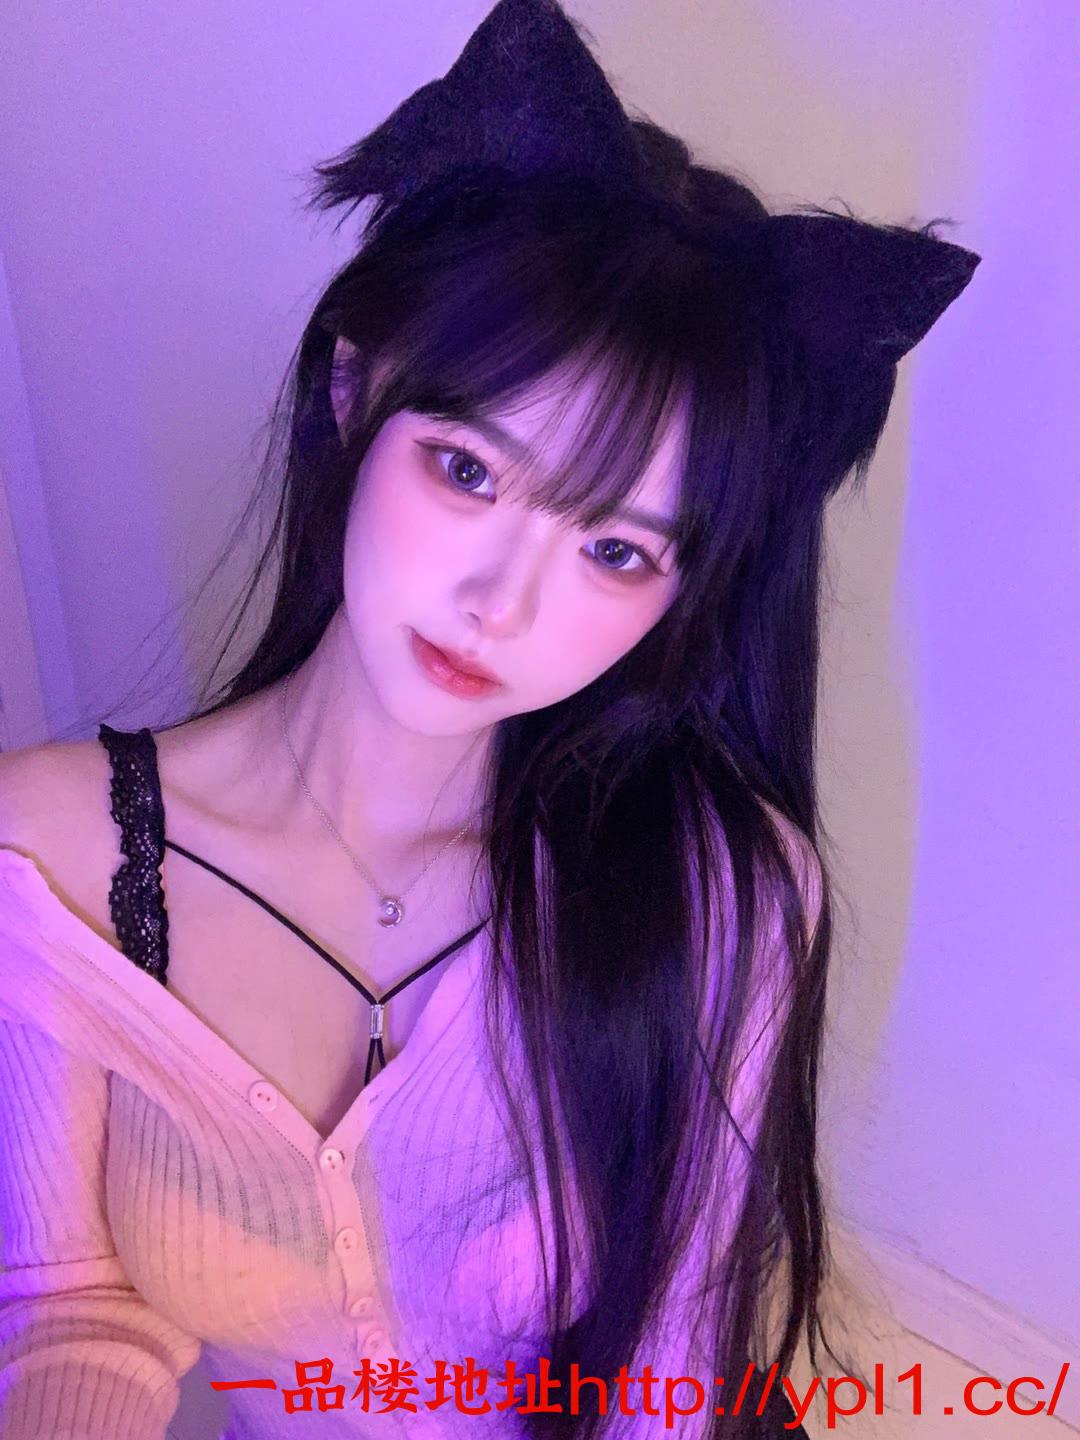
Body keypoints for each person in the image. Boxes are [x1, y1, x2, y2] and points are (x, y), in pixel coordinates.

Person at [0, 1, 980, 1437]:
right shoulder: (46, 858)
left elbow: (675, 1364)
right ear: (355, 390)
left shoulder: (724, 891)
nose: (502, 605)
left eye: (617, 550)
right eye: (469, 471)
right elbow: (70, 1307)